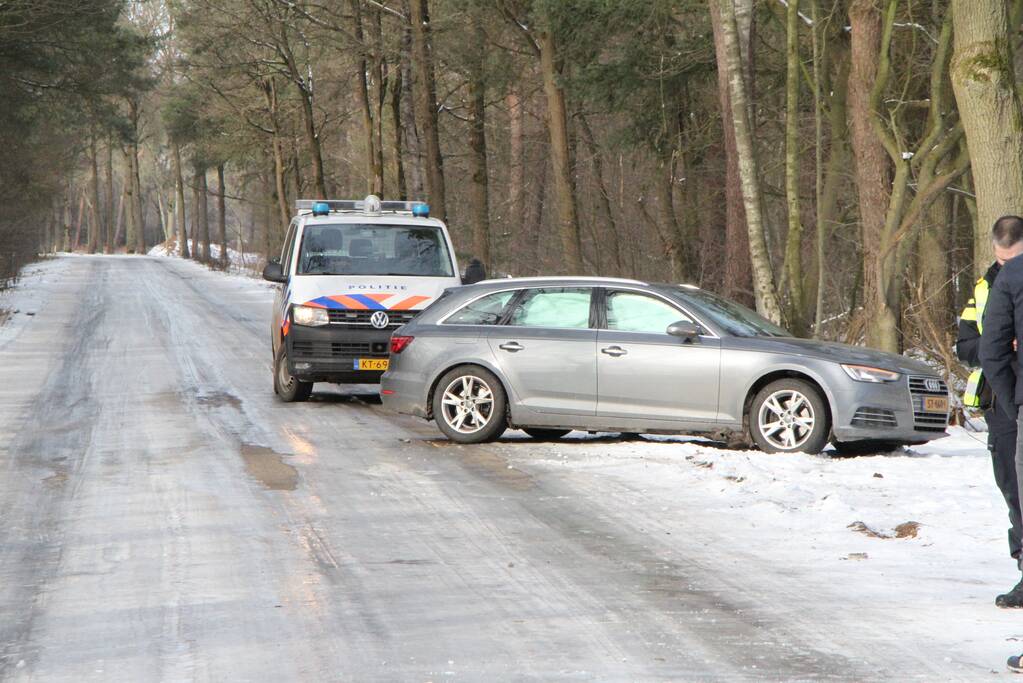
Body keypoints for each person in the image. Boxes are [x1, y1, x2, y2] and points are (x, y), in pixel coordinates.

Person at [960, 216, 1023, 608]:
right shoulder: (986, 286)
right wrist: (1000, 341)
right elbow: (966, 346)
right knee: (1012, 490)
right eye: (1001, 260)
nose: (1006, 266)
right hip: (1005, 402)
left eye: (1012, 258)